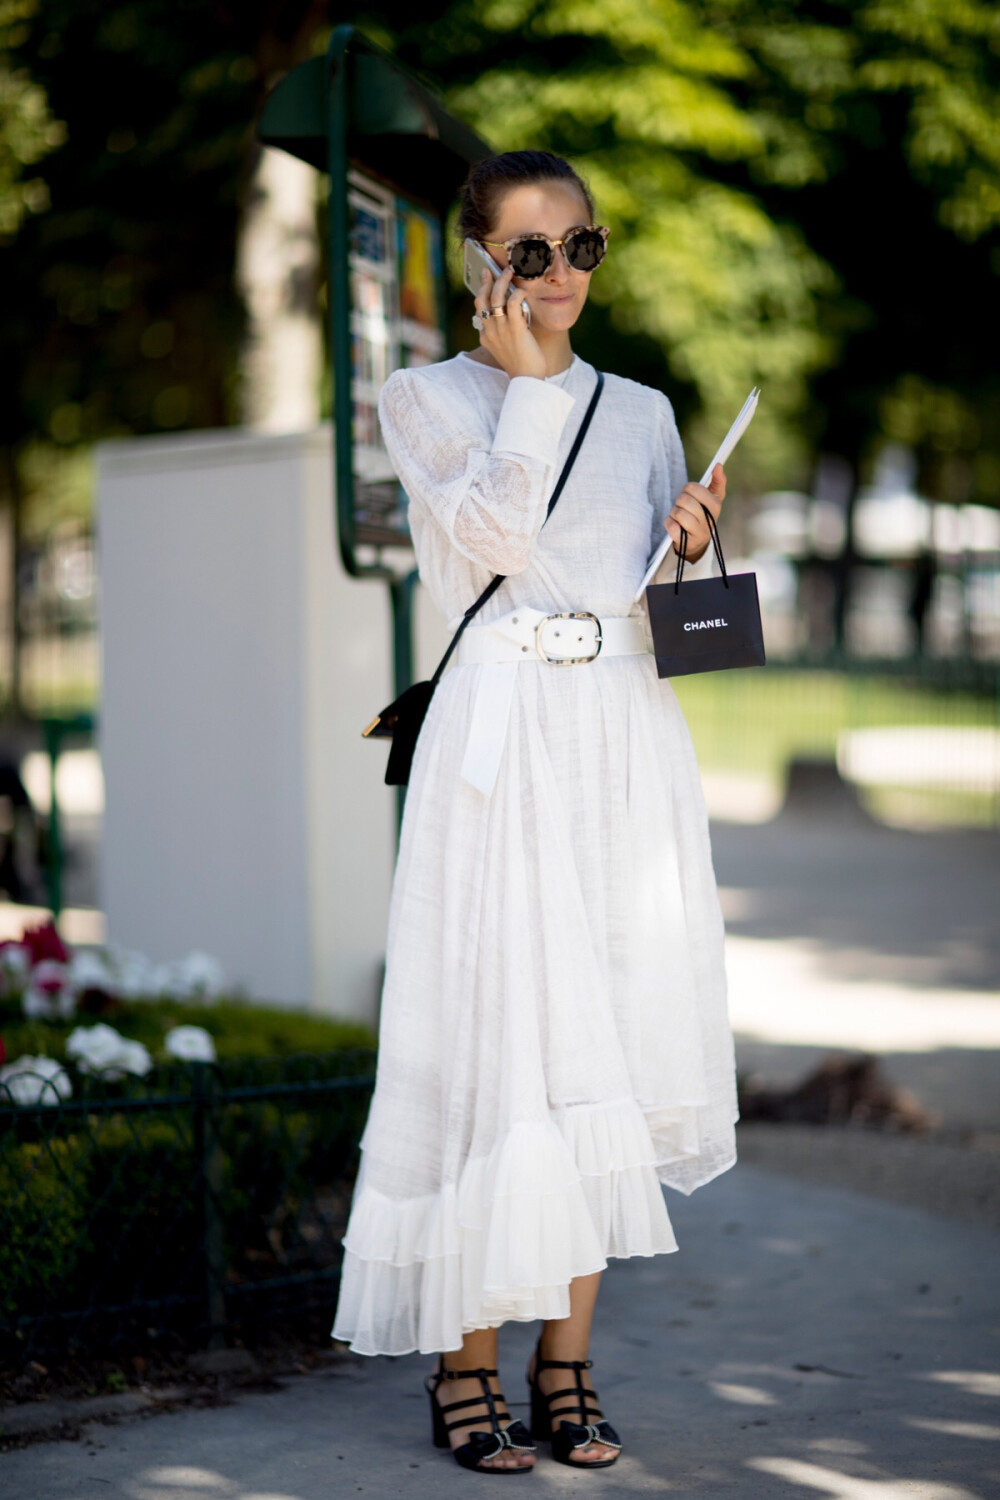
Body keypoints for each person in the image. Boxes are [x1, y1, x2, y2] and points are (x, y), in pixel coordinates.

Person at [332, 149, 738, 1474]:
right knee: (491, 1042)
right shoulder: (423, 396)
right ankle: (465, 1369)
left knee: (602, 1046)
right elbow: (489, 546)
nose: (561, 275)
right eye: (530, 253)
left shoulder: (644, 408)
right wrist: (527, 387)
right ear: (480, 266)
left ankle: (567, 1367)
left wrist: (691, 543)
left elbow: (674, 621)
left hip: (622, 738)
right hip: (501, 741)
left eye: (582, 248)